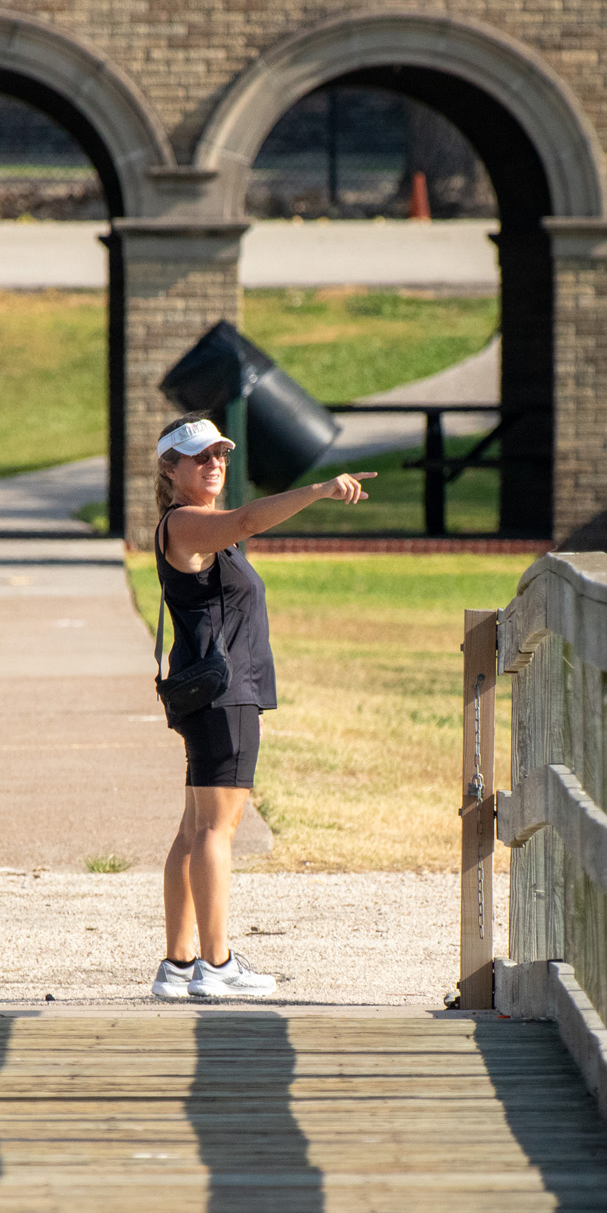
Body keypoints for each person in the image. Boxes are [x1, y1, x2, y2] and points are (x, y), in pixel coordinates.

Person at [149, 413, 373, 999]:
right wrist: (321, 489)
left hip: (212, 694)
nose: (215, 463)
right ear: (170, 469)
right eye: (200, 457)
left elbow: (238, 528)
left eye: (220, 454)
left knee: (194, 830)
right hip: (225, 696)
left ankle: (179, 965)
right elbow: (248, 520)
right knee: (214, 830)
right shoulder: (188, 523)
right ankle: (217, 966)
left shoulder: (200, 526)